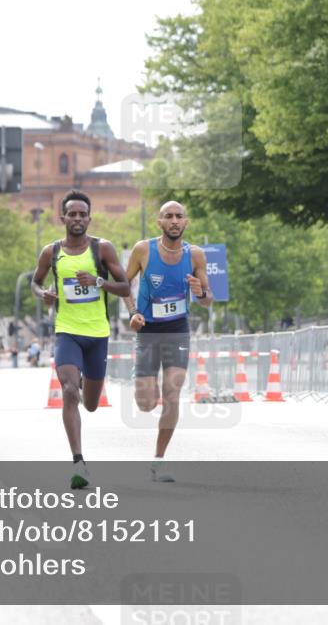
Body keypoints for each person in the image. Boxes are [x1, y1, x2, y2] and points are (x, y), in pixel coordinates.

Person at [31, 190, 130, 489]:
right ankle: (78, 462)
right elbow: (35, 282)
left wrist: (98, 281)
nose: (77, 219)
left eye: (82, 214)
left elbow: (125, 287)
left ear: (89, 218)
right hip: (67, 331)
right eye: (72, 214)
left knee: (91, 404)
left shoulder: (103, 249)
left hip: (97, 334)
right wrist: (43, 294)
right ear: (62, 218)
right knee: (69, 392)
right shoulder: (51, 252)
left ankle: (86, 379)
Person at [123, 201, 212, 482]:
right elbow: (124, 285)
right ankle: (142, 379)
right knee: (146, 403)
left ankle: (159, 460)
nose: (174, 220)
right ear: (159, 222)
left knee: (172, 393)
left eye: (179, 216)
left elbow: (207, 299)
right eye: (169, 216)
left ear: (186, 222)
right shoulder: (143, 250)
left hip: (177, 329)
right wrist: (133, 313)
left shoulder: (195, 255)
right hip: (148, 329)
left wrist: (200, 292)